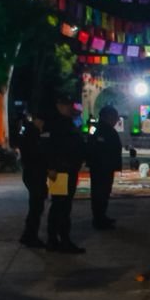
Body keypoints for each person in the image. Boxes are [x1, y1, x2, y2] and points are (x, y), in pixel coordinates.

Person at [43, 91, 87, 254]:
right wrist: (51, 167)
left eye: (70, 105)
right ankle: (60, 240)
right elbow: (48, 147)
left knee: (63, 205)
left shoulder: (68, 121)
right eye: (66, 105)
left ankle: (56, 239)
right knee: (60, 205)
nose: (69, 108)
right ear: (59, 105)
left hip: (69, 169)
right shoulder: (54, 123)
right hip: (60, 170)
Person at [14, 111, 47, 248]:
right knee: (36, 206)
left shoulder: (29, 132)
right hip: (34, 173)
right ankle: (30, 236)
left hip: (32, 172)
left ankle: (28, 235)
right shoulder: (33, 134)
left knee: (36, 206)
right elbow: (35, 154)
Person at [87, 105, 123, 230]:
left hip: (106, 167)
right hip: (100, 167)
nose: (116, 120)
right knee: (99, 193)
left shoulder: (107, 130)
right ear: (108, 117)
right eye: (115, 117)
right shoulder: (97, 129)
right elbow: (92, 146)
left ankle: (101, 216)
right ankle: (98, 219)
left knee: (104, 192)